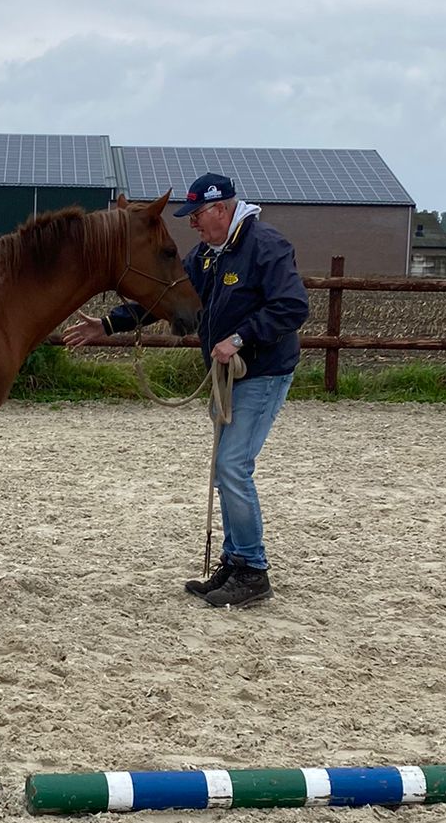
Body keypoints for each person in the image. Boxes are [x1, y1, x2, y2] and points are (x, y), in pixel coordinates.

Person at [64, 172, 308, 607]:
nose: (192, 224)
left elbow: (291, 306)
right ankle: (235, 563)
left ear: (220, 209)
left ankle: (253, 570)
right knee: (225, 469)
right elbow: (165, 296)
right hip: (229, 377)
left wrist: (239, 338)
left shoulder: (265, 246)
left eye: (196, 216)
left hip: (261, 372)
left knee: (233, 467)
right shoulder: (208, 256)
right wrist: (108, 325)